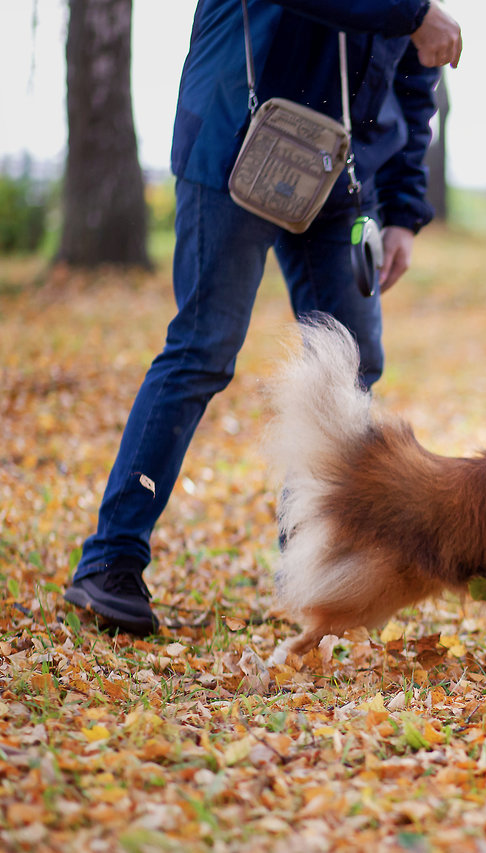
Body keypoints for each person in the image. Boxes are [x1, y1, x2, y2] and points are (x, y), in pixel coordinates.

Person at [63, 0, 463, 636]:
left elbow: (415, 82)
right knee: (203, 348)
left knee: (352, 364)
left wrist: (405, 213)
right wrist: (414, 14)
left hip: (338, 175)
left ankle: (314, 562)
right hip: (233, 145)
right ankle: (109, 560)